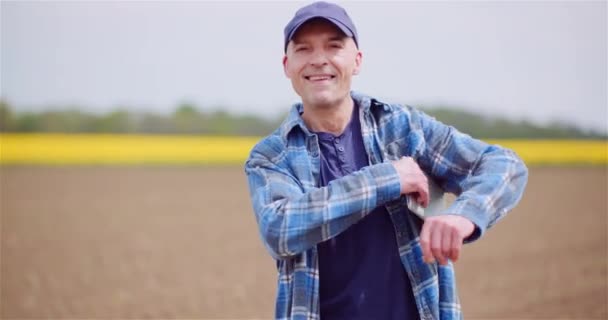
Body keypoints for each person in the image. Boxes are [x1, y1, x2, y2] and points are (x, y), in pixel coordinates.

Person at [244, 2, 528, 319]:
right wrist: (388, 178)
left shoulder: (402, 129)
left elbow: (504, 166)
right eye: (304, 49)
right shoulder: (272, 155)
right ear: (287, 65)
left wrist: (464, 215)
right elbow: (280, 229)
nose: (319, 59)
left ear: (357, 60)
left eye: (334, 46)